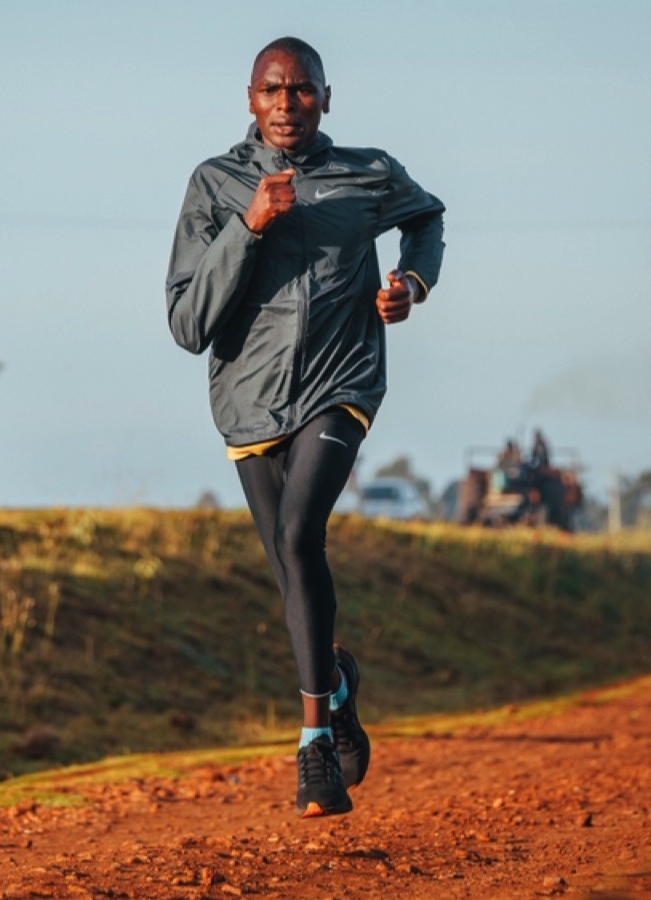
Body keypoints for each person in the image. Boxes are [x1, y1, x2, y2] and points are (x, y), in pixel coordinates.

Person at [165, 37, 446, 817]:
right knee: (292, 576)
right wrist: (247, 227)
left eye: (302, 91)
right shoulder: (216, 185)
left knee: (299, 538)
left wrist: (411, 282)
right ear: (250, 98)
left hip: (340, 382)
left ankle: (312, 746)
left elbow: (426, 219)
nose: (287, 105)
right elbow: (187, 323)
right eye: (272, 90)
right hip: (249, 401)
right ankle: (339, 680)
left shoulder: (369, 172)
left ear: (328, 96)